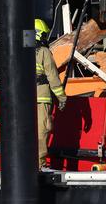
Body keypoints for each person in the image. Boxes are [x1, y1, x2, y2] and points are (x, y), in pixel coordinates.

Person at [34, 19, 67, 170]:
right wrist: (62, 98)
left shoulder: (20, 51)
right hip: (41, 98)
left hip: (22, 100)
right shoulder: (44, 52)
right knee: (42, 131)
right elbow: (53, 77)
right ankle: (39, 164)